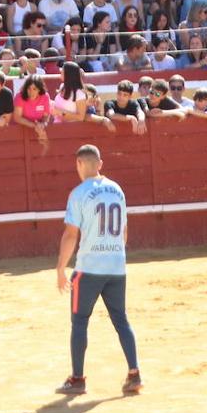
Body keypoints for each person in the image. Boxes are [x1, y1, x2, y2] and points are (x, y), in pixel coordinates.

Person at [55, 143, 142, 396]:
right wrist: (114, 255)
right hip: (117, 267)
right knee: (121, 320)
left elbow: (71, 235)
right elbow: (124, 231)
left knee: (80, 322)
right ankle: (134, 373)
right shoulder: (117, 190)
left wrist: (61, 267)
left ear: (79, 164)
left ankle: (78, 379)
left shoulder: (78, 193)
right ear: (100, 164)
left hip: (89, 269)